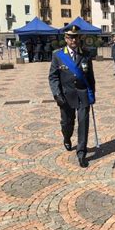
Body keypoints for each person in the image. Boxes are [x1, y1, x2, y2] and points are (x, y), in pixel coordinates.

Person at [48, 25, 96, 168]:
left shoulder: (86, 54)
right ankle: (67, 137)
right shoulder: (58, 55)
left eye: (75, 37)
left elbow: (90, 76)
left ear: (79, 38)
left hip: (82, 95)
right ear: (65, 38)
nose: (73, 40)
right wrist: (57, 94)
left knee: (83, 123)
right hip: (66, 96)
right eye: (70, 37)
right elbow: (53, 77)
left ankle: (81, 152)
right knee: (67, 123)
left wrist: (92, 93)